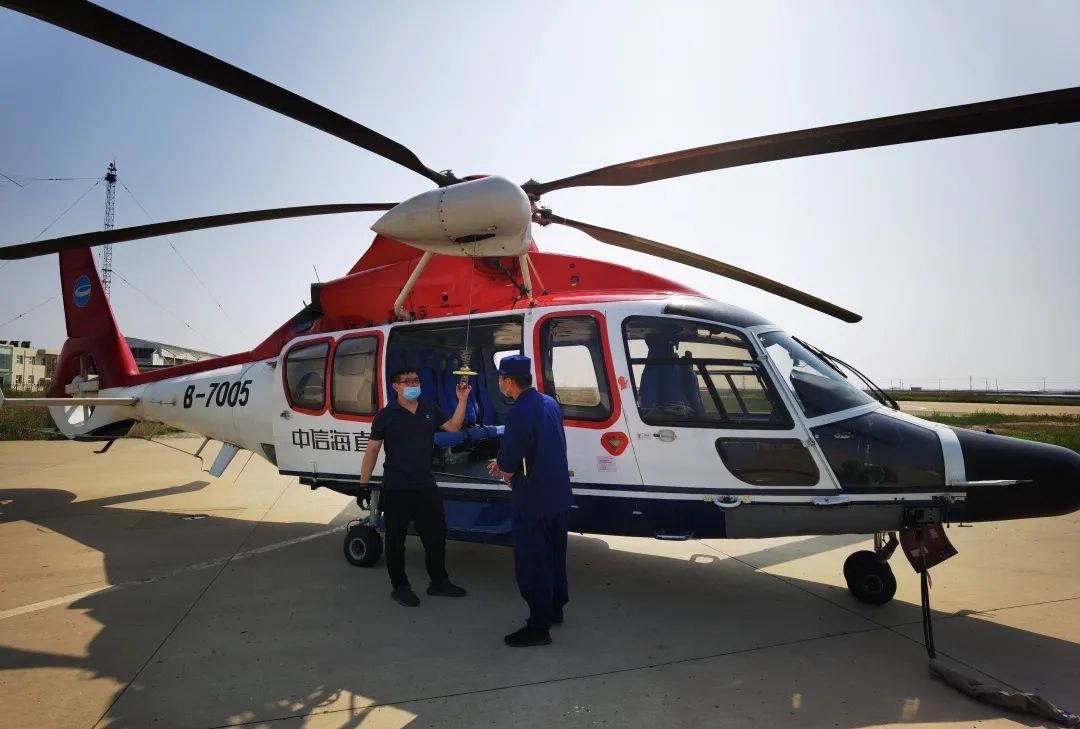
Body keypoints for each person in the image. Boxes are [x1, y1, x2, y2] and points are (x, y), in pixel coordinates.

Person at [360, 366, 471, 607]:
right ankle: (400, 586)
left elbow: (453, 427)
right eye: (407, 381)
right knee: (395, 540)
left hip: (425, 485)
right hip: (397, 487)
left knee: (436, 536)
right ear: (396, 387)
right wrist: (363, 484)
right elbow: (372, 451)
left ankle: (438, 582)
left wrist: (462, 400)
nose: (413, 384)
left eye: (416, 380)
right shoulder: (385, 416)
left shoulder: (430, 409)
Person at [487, 354, 573, 647]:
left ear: (508, 381)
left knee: (533, 561)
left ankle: (538, 627)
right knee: (554, 556)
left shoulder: (519, 412)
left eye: (501, 379)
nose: (500, 383)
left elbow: (510, 458)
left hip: (533, 498)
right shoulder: (549, 403)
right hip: (558, 494)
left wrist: (502, 466)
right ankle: (555, 608)